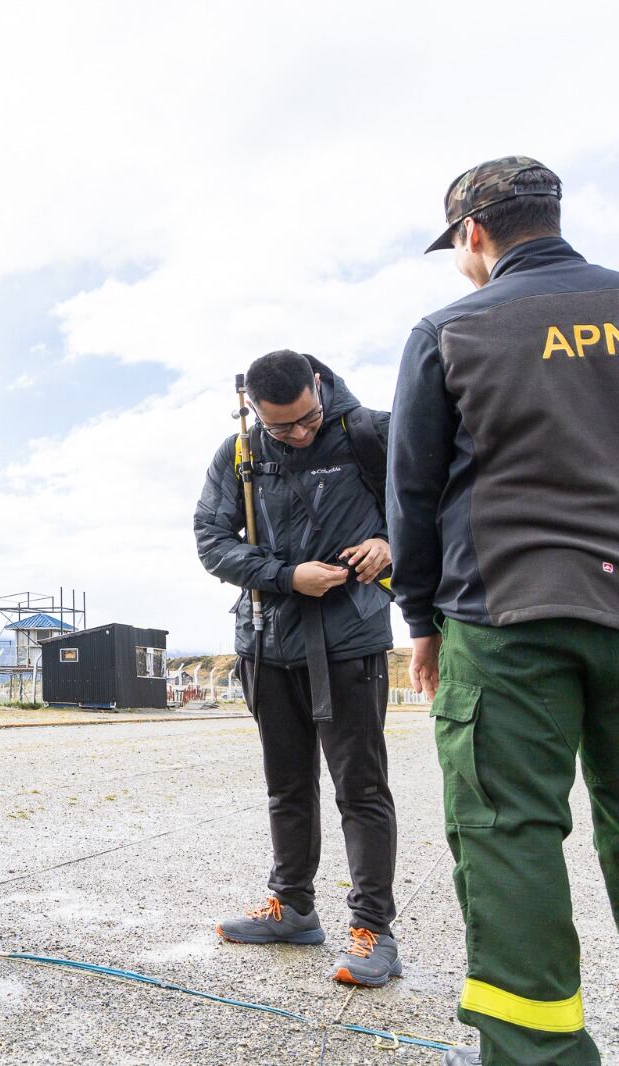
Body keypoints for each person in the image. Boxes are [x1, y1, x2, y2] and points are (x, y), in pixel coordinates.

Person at [389, 157, 619, 1066]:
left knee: (510, 834)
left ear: (474, 235)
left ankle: (539, 1057)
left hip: (508, 611)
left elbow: (412, 491)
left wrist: (419, 620)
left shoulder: (452, 328)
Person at [193, 350, 401, 987]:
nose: (300, 433)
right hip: (267, 642)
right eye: (282, 427)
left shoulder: (371, 432)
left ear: (319, 386)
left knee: (360, 790)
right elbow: (212, 542)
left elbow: (429, 505)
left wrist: (390, 543)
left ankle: (373, 928)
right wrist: (286, 576)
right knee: (286, 784)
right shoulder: (238, 454)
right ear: (254, 410)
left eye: (308, 419)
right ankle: (292, 906)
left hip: (350, 640)